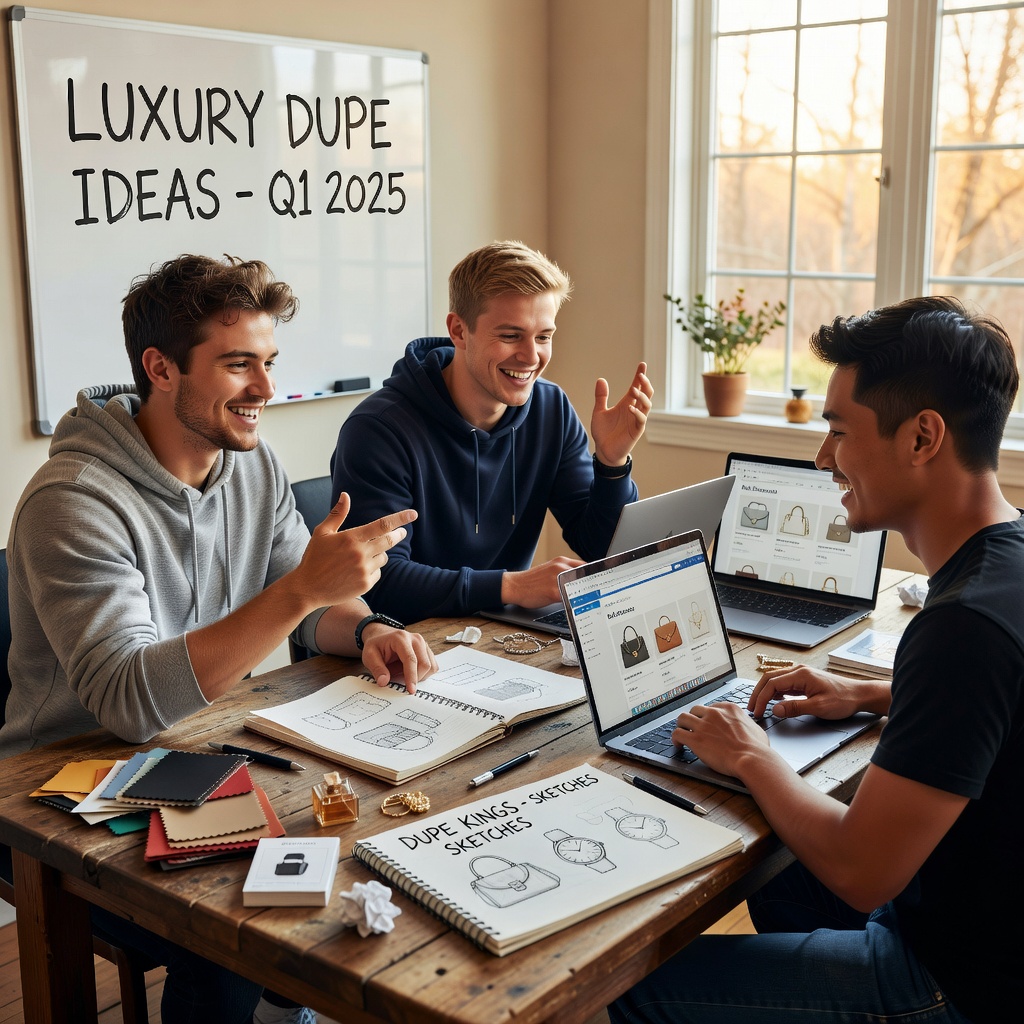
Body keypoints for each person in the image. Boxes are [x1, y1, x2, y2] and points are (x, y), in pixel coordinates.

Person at [2, 254, 438, 1024]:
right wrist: (305, 586)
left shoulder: (252, 465)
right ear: (160, 368)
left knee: (347, 847)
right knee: (241, 912)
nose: (267, 390)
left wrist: (365, 624)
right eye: (239, 365)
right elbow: (129, 704)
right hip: (68, 789)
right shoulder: (72, 501)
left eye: (268, 363)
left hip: (197, 748)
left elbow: (304, 613)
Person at [609, 295, 1022, 1024]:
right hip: (976, 920)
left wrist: (749, 754)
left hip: (955, 982)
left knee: (631, 991)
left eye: (838, 430)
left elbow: (862, 873)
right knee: (778, 872)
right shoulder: (1007, 560)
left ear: (923, 437)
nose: (824, 457)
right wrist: (874, 696)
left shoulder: (962, 628)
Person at [329, 239, 654, 623]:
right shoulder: (379, 430)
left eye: (544, 337)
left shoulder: (551, 410)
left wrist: (612, 464)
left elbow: (600, 548)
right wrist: (512, 587)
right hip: (402, 649)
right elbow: (379, 581)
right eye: (511, 335)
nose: (532, 357)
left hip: (499, 638)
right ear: (459, 331)